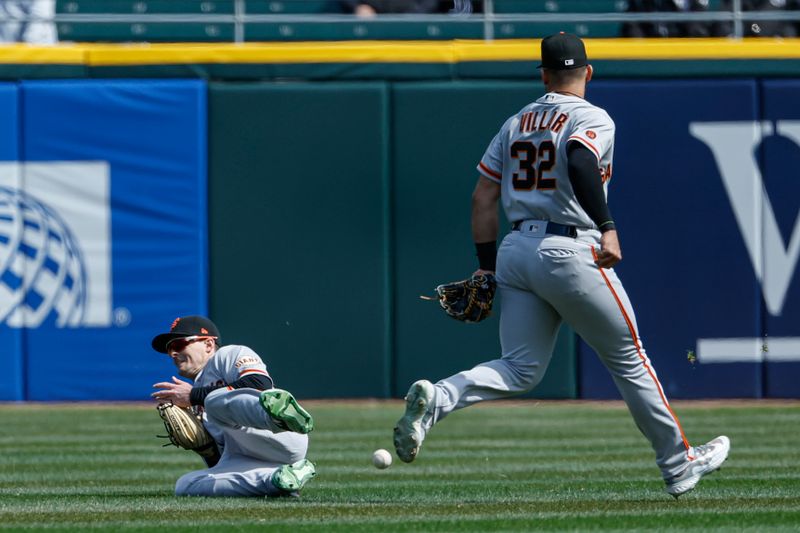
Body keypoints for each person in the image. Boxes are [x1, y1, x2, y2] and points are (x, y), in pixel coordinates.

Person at [393, 32, 730, 498]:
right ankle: (678, 464)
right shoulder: (591, 116)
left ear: (544, 74)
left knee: (520, 368)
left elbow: (482, 197)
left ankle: (439, 399)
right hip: (570, 249)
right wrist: (607, 224)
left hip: (516, 250)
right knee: (630, 359)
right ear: (588, 72)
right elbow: (578, 158)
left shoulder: (515, 123)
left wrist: (486, 268)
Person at [151, 315, 316, 497]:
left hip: (282, 434)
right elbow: (221, 463)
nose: (172, 353)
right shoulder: (194, 400)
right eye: (169, 349)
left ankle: (278, 418)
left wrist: (193, 396)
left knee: (214, 402)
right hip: (252, 457)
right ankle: (279, 480)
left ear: (208, 345)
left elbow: (259, 383)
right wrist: (205, 449)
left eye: (178, 344)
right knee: (185, 485)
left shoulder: (227, 355)